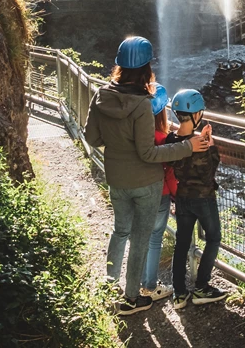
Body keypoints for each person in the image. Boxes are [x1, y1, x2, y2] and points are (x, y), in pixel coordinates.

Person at [84, 37, 211, 316]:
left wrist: (118, 143)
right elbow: (148, 154)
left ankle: (108, 289)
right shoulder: (142, 104)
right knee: (141, 239)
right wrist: (188, 146)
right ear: (147, 68)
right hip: (146, 183)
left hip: (116, 177)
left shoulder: (101, 95)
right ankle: (131, 298)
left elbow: (91, 137)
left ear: (119, 65)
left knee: (119, 232)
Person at [167, 89, 228, 310]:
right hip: (203, 200)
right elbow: (209, 170)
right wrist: (210, 142)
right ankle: (202, 286)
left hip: (182, 198)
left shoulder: (172, 139)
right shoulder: (199, 143)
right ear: (195, 115)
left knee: (181, 244)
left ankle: (179, 293)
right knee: (213, 238)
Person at [140, 83, 176, 302]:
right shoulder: (163, 139)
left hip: (137, 190)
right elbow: (170, 173)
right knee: (154, 239)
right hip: (159, 193)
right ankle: (150, 286)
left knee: (139, 237)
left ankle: (135, 283)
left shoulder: (135, 135)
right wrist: (176, 195)